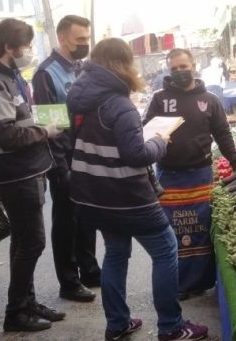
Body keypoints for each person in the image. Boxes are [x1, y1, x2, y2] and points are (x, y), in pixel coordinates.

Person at [66, 38, 209, 341]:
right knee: (166, 250)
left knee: (116, 253)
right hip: (128, 196)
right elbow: (137, 155)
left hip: (95, 195)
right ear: (122, 64)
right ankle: (171, 326)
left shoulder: (80, 97)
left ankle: (117, 324)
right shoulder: (119, 104)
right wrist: (159, 142)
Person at [0, 18, 64, 332]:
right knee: (32, 242)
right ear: (9, 47)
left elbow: (20, 119)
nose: (30, 51)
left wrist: (45, 122)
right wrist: (45, 131)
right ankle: (16, 313)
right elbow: (3, 135)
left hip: (29, 169)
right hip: (13, 174)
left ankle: (26, 302)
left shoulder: (10, 77)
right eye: (27, 45)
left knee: (24, 240)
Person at [143, 48, 236, 300]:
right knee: (174, 231)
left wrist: (235, 163)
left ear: (193, 66)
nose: (179, 72)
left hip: (199, 176)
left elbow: (222, 133)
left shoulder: (209, 100)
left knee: (200, 229)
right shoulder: (159, 99)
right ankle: (177, 284)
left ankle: (201, 281)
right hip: (169, 177)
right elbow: (145, 132)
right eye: (174, 68)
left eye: (183, 66)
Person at [31, 14, 100, 303]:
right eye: (79, 40)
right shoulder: (47, 74)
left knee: (87, 216)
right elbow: (50, 124)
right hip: (64, 158)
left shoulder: (82, 68)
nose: (85, 44)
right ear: (62, 38)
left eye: (87, 39)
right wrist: (60, 167)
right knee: (67, 221)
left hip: (86, 154)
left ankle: (90, 269)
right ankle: (69, 282)